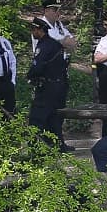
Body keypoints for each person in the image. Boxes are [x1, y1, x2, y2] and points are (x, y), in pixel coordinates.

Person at [26, 17, 71, 151]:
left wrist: (30, 76)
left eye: (33, 29)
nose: (32, 32)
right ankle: (57, 144)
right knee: (54, 117)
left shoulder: (43, 45)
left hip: (47, 87)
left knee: (37, 117)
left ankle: (36, 146)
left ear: (40, 30)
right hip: (59, 85)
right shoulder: (55, 44)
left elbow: (38, 66)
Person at [33, 0, 77, 65]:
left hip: (61, 65)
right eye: (55, 10)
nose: (58, 13)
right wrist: (63, 42)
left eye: (59, 10)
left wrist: (62, 43)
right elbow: (50, 47)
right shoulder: (40, 26)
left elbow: (72, 42)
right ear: (46, 11)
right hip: (46, 65)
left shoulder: (59, 25)